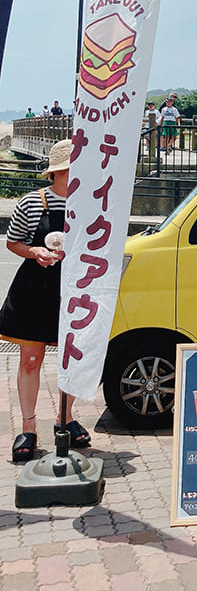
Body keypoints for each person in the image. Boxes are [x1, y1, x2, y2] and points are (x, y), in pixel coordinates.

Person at [0, 139, 91, 462]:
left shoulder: (91, 203)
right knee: (31, 358)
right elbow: (14, 242)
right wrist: (34, 250)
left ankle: (65, 418)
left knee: (73, 357)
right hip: (35, 287)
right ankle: (27, 428)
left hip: (77, 288)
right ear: (60, 171)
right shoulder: (31, 203)